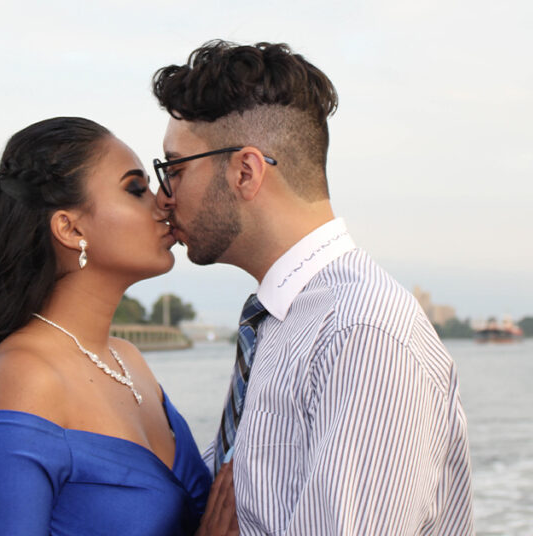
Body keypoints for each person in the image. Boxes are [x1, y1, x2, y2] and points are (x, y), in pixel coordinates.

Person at [151, 41, 474, 535]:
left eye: (175, 170)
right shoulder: (285, 320)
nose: (162, 197)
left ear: (245, 172)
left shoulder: (361, 334)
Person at [0, 117, 213, 535]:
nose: (163, 202)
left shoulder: (129, 360)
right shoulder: (23, 375)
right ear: (70, 228)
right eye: (136, 189)